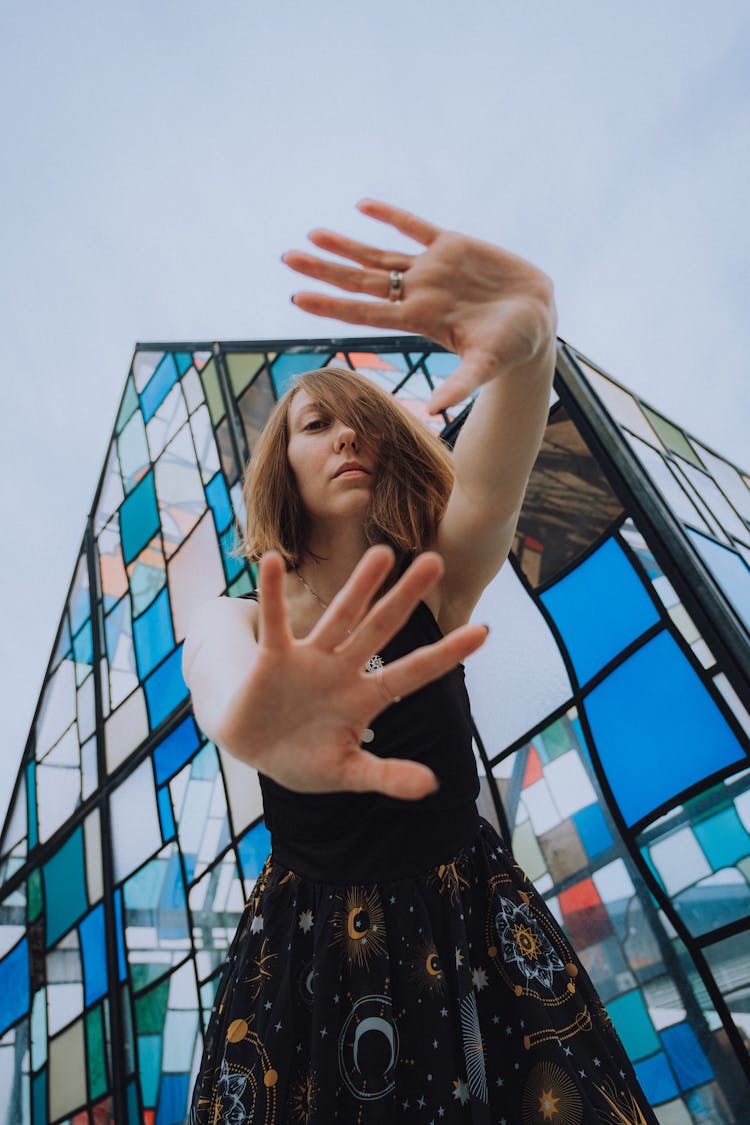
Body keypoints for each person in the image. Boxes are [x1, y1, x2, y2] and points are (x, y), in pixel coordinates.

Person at [184, 202, 657, 1123]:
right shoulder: (240, 615)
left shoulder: (439, 574)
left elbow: (490, 475)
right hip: (307, 966)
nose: (347, 436)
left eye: (360, 421)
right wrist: (258, 724)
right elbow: (218, 671)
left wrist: (531, 334)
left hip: (471, 934)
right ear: (282, 466)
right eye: (316, 425)